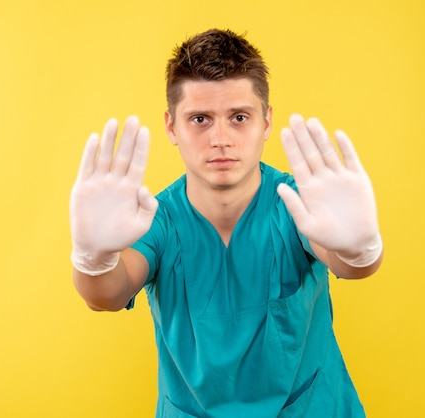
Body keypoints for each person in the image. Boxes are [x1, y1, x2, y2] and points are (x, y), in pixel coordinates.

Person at [69, 28, 383, 418]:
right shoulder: (155, 218)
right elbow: (107, 295)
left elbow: (350, 265)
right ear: (172, 126)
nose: (220, 138)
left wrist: (359, 249)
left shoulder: (298, 203)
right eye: (200, 118)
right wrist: (93, 258)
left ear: (266, 122)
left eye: (239, 117)